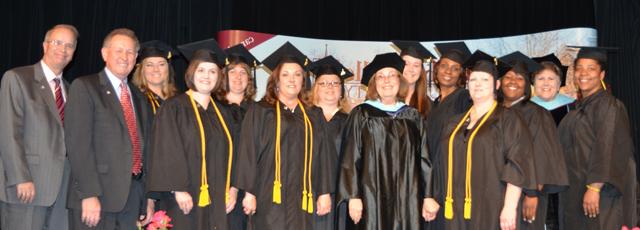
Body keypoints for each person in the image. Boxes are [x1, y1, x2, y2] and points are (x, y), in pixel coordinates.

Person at [234, 42, 335, 230]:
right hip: (267, 193)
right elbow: (248, 151)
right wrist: (249, 192)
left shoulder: (313, 115)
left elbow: (324, 155)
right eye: (286, 74)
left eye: (298, 74)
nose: (292, 79)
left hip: (303, 195)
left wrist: (324, 192)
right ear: (276, 80)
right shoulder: (260, 111)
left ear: (303, 81)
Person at [65, 28, 154, 229]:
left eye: (130, 52)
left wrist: (147, 198)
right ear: (105, 54)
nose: (125, 57)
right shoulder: (85, 87)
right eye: (119, 50)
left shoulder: (139, 97)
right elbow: (78, 145)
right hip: (96, 198)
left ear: (136, 58)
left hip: (132, 198)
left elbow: (146, 149)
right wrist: (88, 194)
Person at [337, 52, 436, 229]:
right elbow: (350, 157)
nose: (387, 81)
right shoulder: (362, 114)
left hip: (407, 196)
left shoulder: (412, 116)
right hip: (370, 196)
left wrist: (428, 196)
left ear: (400, 80)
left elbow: (424, 158)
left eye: (392, 75)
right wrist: (353, 196)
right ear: (374, 84)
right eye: (380, 77)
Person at [438, 50, 536, 230]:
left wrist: (509, 207)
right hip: (455, 206)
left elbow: (517, 164)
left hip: (493, 205)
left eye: (485, 80)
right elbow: (440, 163)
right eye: (473, 79)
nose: (478, 84)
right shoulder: (454, 122)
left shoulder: (508, 119)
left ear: (496, 84)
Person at [147, 39, 236, 229]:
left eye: (212, 71)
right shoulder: (174, 107)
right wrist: (178, 188)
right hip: (184, 197)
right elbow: (166, 149)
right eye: (201, 70)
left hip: (217, 197)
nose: (207, 76)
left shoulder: (223, 113)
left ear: (219, 76)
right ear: (191, 73)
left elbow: (234, 153)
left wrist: (233, 188)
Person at [0, 24, 77, 230]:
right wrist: (21, 178)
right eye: (58, 42)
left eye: (69, 45)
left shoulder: (71, 90)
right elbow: (9, 133)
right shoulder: (17, 78)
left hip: (62, 191)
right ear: (45, 45)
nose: (63, 49)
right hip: (27, 187)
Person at [558, 47, 637, 229]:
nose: (583, 73)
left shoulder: (609, 105)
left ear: (601, 75)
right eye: (579, 68)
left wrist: (595, 187)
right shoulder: (577, 110)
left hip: (601, 194)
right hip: (576, 191)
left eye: (591, 68)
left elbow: (607, 146)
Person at [499, 51, 569, 230]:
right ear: (499, 82)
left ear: (526, 85)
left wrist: (533, 194)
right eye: (508, 77)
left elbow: (543, 156)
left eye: (520, 78)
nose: (513, 82)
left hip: (526, 191)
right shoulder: (493, 112)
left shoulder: (537, 113)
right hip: (496, 189)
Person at [424, 42, 472, 230]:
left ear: (462, 74)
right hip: (434, 177)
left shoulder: (464, 99)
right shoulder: (434, 104)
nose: (448, 71)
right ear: (436, 70)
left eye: (455, 68)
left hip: (452, 178)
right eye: (444, 66)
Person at [218, 43, 262, 230]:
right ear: (223, 75)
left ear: (249, 78)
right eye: (232, 71)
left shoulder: (259, 111)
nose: (238, 77)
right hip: (218, 186)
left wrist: (250, 190)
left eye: (243, 72)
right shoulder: (213, 109)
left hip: (252, 188)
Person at [307, 55, 353, 230]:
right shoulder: (303, 118)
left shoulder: (349, 121)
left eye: (335, 83)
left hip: (340, 195)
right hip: (307, 191)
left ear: (341, 90)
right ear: (315, 88)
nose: (330, 87)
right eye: (324, 83)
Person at [131, 40, 179, 115]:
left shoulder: (178, 100)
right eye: (149, 65)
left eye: (161, 64)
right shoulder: (135, 99)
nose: (156, 69)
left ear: (168, 68)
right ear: (141, 70)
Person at [391, 40, 435, 118]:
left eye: (416, 65)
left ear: (421, 71)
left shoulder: (428, 106)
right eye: (406, 64)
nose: (411, 69)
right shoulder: (386, 98)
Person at [530, 53, 575, 125]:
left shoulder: (574, 109)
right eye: (541, 78)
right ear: (534, 83)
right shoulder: (523, 112)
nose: (546, 83)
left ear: (559, 83)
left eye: (551, 78)